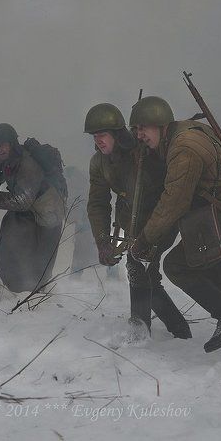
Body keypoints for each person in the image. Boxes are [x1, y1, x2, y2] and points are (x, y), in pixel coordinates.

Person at [130, 96, 221, 370]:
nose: (140, 135)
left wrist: (144, 241)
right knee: (211, 285)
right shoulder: (189, 132)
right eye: (136, 129)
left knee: (177, 266)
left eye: (144, 128)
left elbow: (174, 201)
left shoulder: (183, 148)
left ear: (162, 126)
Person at [83, 103, 190, 339]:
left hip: (160, 220)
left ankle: (139, 331)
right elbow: (98, 203)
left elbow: (173, 188)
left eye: (102, 135)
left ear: (117, 133)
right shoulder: (99, 163)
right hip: (131, 223)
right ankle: (179, 329)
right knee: (146, 275)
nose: (98, 141)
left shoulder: (145, 152)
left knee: (136, 265)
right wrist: (103, 242)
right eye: (94, 136)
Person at [0, 123, 65, 292]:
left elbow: (21, 201)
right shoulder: (5, 156)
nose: (0, 149)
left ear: (12, 143)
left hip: (47, 210)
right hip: (27, 209)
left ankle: (36, 293)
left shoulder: (27, 164)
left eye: (3, 144)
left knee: (42, 258)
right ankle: (19, 288)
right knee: (8, 246)